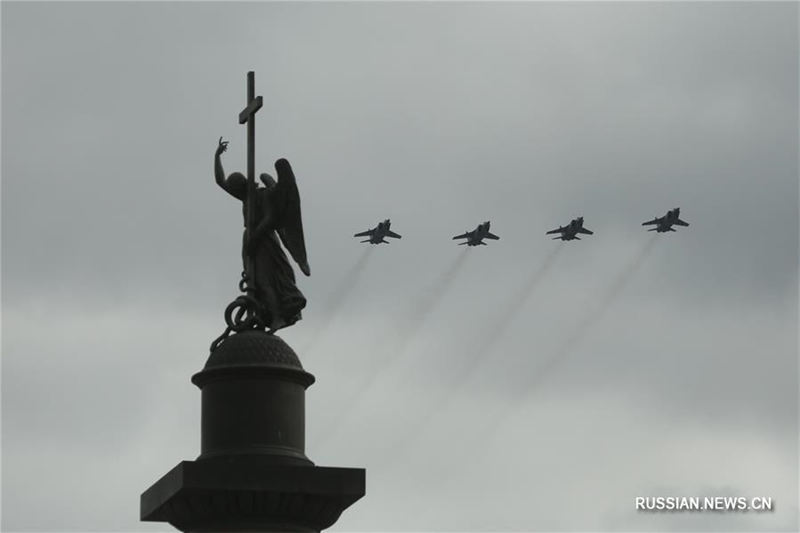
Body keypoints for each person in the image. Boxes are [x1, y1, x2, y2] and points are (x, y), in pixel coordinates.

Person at [214, 137, 310, 330]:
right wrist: (217, 156)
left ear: (242, 186)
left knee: (265, 281)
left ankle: (277, 317)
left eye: (235, 189)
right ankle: (262, 313)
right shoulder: (245, 197)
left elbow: (270, 218)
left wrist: (256, 236)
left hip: (264, 240)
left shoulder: (263, 195)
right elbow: (220, 182)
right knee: (255, 282)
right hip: (250, 239)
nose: (232, 192)